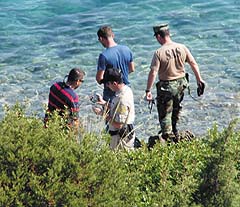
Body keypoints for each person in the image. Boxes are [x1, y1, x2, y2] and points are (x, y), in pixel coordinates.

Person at [145, 23, 205, 142]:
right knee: (176, 109)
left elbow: (153, 72)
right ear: (169, 34)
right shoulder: (182, 47)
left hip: (167, 86)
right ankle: (175, 132)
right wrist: (199, 79)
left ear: (158, 36)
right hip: (181, 84)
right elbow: (193, 63)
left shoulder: (159, 52)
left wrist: (148, 90)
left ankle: (168, 138)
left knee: (164, 114)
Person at [93, 68, 136, 150]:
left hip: (121, 138)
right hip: (123, 134)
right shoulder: (127, 89)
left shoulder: (122, 99)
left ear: (115, 83)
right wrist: (104, 103)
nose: (107, 86)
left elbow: (119, 125)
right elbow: (117, 108)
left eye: (108, 84)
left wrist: (102, 114)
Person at [96, 25, 135, 103]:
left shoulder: (103, 56)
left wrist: (107, 83)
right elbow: (132, 69)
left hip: (111, 91)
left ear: (100, 39)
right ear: (112, 35)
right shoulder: (127, 49)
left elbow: (99, 78)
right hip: (126, 87)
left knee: (110, 113)